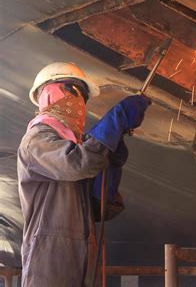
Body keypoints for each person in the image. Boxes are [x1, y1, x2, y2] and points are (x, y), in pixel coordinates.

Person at [17, 62, 151, 286]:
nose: (79, 103)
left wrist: (111, 164)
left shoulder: (74, 147)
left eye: (82, 97)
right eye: (73, 91)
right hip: (49, 264)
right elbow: (78, 163)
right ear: (49, 93)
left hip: (82, 262)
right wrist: (115, 120)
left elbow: (100, 209)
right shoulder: (37, 140)